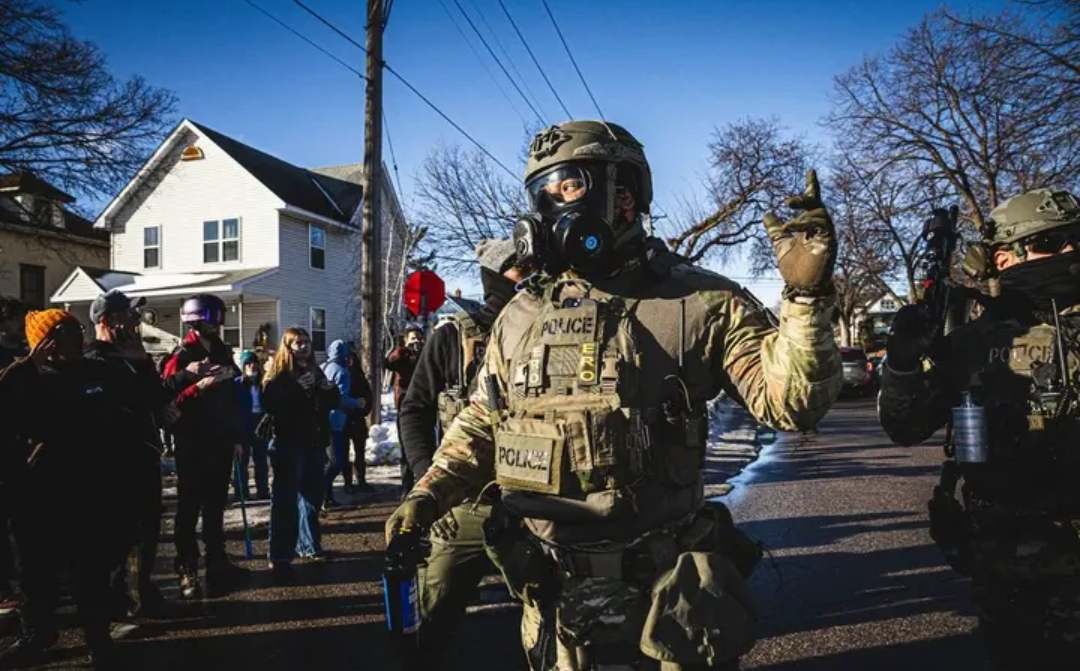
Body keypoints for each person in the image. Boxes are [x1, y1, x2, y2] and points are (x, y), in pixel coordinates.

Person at [385, 119, 842, 670]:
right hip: (554, 608)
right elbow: (482, 425)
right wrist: (427, 495)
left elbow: (791, 402)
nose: (552, 206)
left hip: (666, 608)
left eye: (569, 185)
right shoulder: (521, 315)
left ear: (624, 194)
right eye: (541, 194)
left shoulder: (698, 301)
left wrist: (806, 297)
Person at [879, 188, 1080, 669]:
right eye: (1054, 241)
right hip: (1009, 561)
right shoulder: (971, 342)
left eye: (1076, 237)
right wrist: (904, 363)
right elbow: (904, 427)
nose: (1071, 251)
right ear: (1005, 257)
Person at [0, 309, 198, 669]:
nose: (72, 340)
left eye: (75, 331)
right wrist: (27, 367)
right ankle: (37, 633)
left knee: (91, 572)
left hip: (93, 492)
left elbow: (148, 401)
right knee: (36, 573)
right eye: (61, 334)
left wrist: (141, 364)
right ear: (41, 341)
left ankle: (98, 637)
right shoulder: (26, 378)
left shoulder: (97, 372)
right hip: (38, 496)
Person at [397, 237, 526, 665]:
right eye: (517, 270)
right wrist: (424, 477)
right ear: (494, 277)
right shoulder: (453, 334)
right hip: (464, 500)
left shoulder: (546, 327)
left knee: (552, 617)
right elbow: (413, 409)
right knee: (431, 613)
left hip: (532, 499)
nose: (527, 278)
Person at [85, 290, 205, 629]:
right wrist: (157, 375)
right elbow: (129, 403)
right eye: (129, 315)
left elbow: (153, 397)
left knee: (147, 533)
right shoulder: (96, 360)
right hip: (115, 466)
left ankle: (143, 596)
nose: (136, 322)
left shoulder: (132, 355)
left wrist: (166, 380)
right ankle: (116, 604)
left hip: (144, 458)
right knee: (119, 538)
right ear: (108, 322)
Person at [160, 294, 247, 599]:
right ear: (197, 319)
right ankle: (187, 567)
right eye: (214, 319)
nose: (219, 325)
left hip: (221, 439)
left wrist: (237, 437)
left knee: (215, 507)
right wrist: (196, 387)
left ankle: (217, 561)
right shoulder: (182, 354)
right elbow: (165, 399)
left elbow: (233, 398)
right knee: (189, 508)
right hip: (192, 441)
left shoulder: (223, 351)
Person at [261, 327, 340, 581]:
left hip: (314, 443)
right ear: (288, 347)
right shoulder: (279, 376)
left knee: (311, 500)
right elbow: (271, 403)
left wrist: (327, 388)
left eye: (306, 342)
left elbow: (333, 401)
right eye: (298, 343)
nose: (304, 347)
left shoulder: (315, 371)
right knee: (285, 503)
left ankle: (309, 545)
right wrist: (296, 388)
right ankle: (280, 555)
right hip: (288, 445)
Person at [0, 297, 28, 618]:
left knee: (22, 521)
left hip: (23, 445)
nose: (21, 325)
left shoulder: (25, 350)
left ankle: (22, 582)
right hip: (5, 446)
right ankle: (5, 586)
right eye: (16, 319)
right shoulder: (14, 357)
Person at [320, 339, 364, 509]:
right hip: (336, 421)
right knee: (336, 462)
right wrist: (357, 403)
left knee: (328, 459)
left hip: (322, 419)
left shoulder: (323, 367)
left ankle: (328, 497)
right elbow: (340, 398)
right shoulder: (343, 372)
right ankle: (322, 493)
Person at [385, 325, 424, 496]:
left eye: (419, 338)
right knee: (407, 449)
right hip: (405, 408)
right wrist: (402, 350)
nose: (416, 342)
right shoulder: (402, 356)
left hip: (424, 407)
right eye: (412, 338)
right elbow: (388, 363)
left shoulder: (425, 355)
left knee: (425, 448)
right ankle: (406, 488)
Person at [234, 350, 271, 501]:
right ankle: (241, 492)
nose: (252, 366)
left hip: (260, 422)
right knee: (242, 460)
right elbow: (233, 408)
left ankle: (263, 490)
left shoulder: (264, 382)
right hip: (243, 423)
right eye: (248, 364)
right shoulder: (237, 384)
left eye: (254, 363)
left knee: (261, 458)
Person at [344, 342, 375, 494]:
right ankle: (347, 482)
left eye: (351, 355)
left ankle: (361, 480)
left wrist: (364, 409)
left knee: (359, 451)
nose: (349, 359)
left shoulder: (357, 373)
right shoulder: (339, 372)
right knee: (343, 453)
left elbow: (367, 394)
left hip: (357, 419)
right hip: (343, 418)